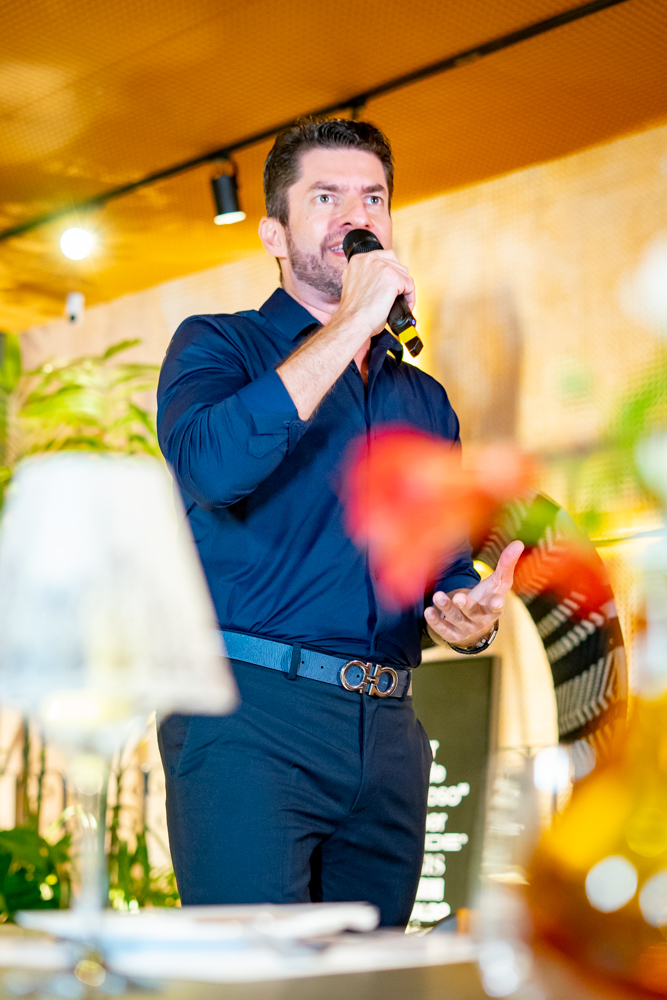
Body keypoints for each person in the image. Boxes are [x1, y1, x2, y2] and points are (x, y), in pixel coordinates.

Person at [156, 118, 523, 927]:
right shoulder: (217, 346)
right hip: (248, 718)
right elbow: (214, 467)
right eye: (325, 197)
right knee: (255, 975)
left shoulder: (422, 400)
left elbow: (438, 567)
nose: (355, 216)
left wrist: (466, 617)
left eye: (373, 198)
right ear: (273, 233)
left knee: (371, 977)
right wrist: (352, 321)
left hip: (388, 731)